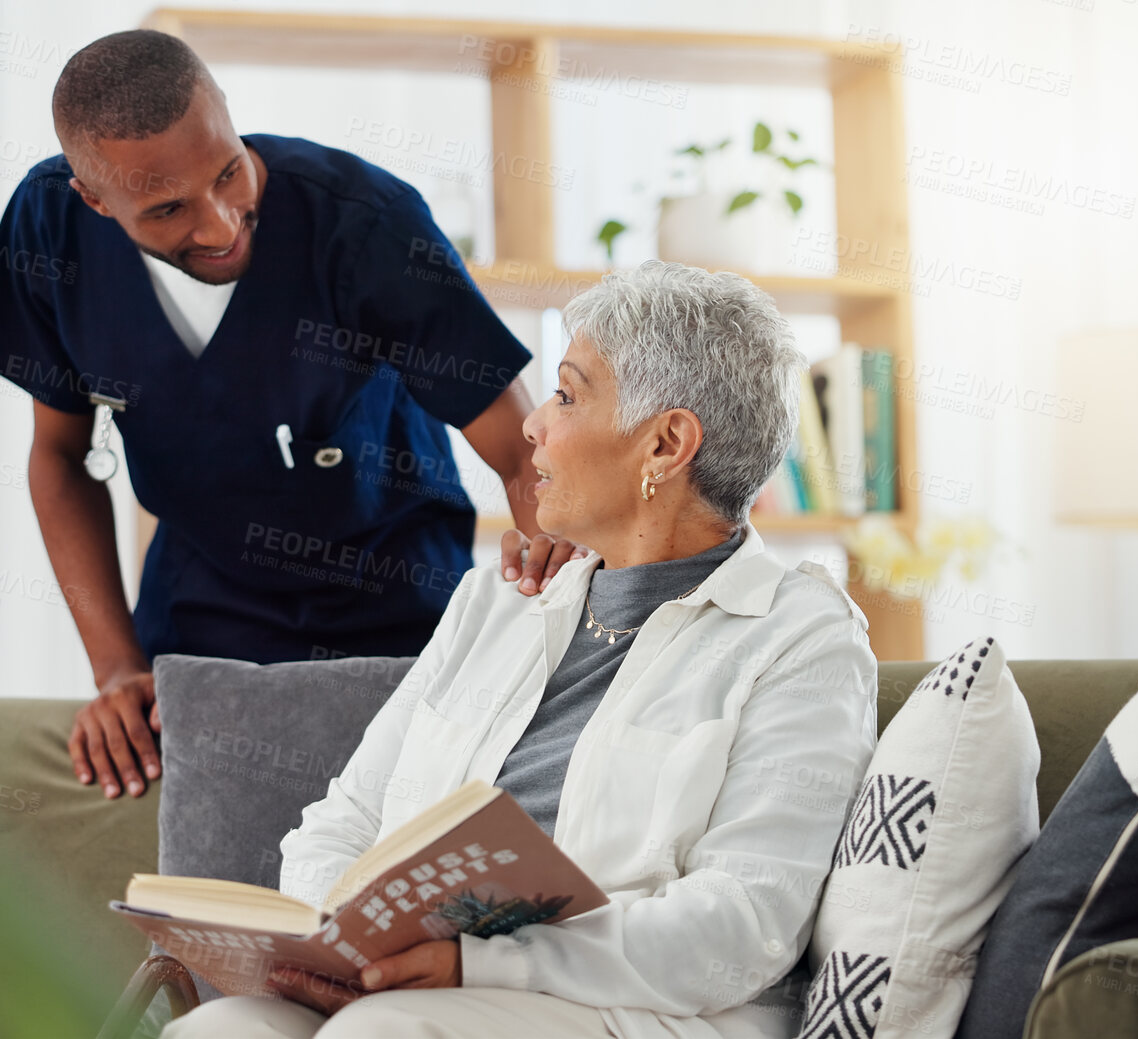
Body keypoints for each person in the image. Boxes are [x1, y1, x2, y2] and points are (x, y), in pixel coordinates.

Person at [160, 261, 879, 1039]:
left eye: (567, 394)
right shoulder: (497, 600)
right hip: (423, 987)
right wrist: (340, 943)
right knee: (222, 1030)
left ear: (666, 445)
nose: (532, 424)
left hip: (643, 1012)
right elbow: (348, 815)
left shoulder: (800, 637)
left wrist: (475, 962)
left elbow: (745, 919)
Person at [0, 31, 581, 803]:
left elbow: (526, 457)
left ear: (225, 110)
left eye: (228, 172)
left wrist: (554, 638)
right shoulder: (49, 228)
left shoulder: (369, 225)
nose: (220, 225)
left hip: (399, 614)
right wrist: (117, 668)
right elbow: (59, 457)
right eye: (167, 209)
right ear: (94, 199)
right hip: (203, 627)